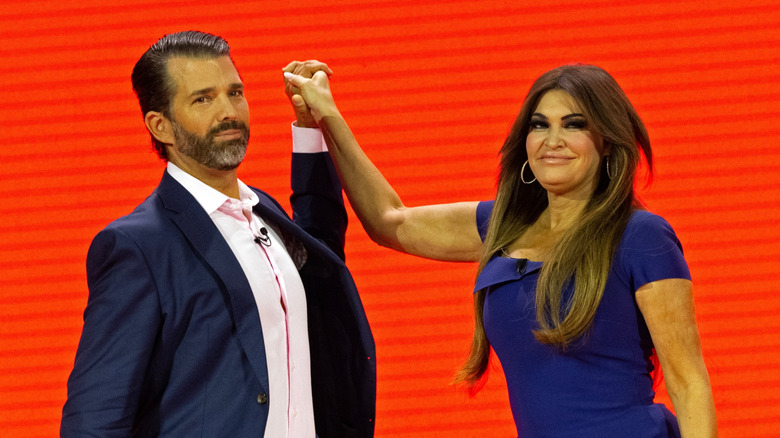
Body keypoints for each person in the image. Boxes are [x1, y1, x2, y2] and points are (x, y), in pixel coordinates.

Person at [283, 63, 717, 437]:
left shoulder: (641, 235)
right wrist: (326, 117)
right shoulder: (502, 225)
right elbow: (389, 221)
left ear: (608, 143)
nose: (553, 139)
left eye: (575, 124)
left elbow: (687, 381)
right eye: (540, 124)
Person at [61, 31, 375, 438]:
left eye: (235, 92)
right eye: (202, 99)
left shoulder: (262, 212)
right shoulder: (138, 246)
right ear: (161, 126)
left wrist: (310, 130)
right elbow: (95, 416)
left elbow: (319, 256)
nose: (228, 111)